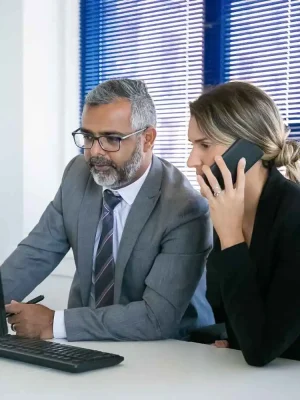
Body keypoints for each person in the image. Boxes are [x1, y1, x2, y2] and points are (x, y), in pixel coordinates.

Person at [2, 78, 214, 341]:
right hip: (87, 342)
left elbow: (157, 318)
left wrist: (53, 323)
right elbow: (35, 253)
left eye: (112, 139)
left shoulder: (185, 208)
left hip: (168, 351)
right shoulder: (77, 175)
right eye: (89, 137)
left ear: (147, 139)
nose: (94, 152)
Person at [187, 81, 300, 366]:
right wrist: (238, 340)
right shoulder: (227, 207)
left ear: (247, 149)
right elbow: (236, 320)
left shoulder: (294, 215)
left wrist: (231, 237)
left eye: (204, 145)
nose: (191, 160)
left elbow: (260, 348)